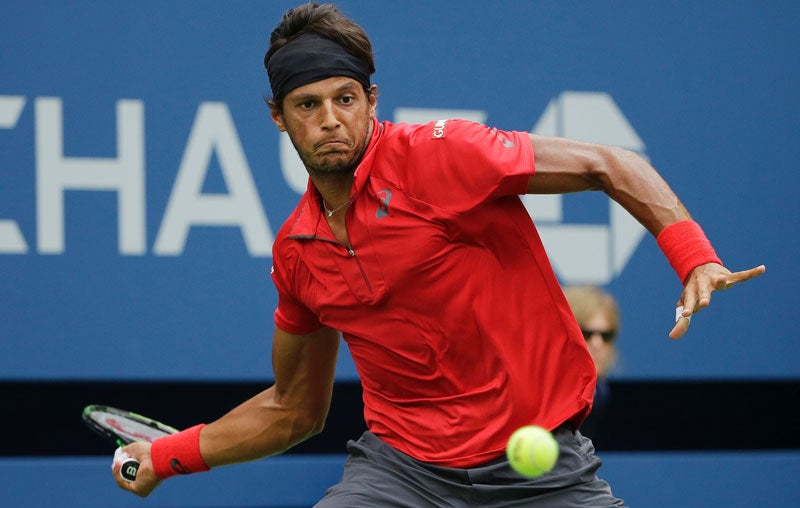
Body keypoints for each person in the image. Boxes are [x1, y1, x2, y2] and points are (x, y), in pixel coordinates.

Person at [113, 3, 765, 506]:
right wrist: (166, 456)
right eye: (308, 105)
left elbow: (607, 164)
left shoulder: (441, 155)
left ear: (372, 100)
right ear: (279, 117)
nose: (330, 119)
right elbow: (293, 410)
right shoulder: (298, 253)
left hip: (544, 468)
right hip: (401, 475)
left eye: (345, 98)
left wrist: (693, 256)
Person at [563, 285, 621, 442]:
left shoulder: (600, 392)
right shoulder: (543, 396)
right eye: (586, 334)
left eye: (605, 336)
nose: (597, 344)